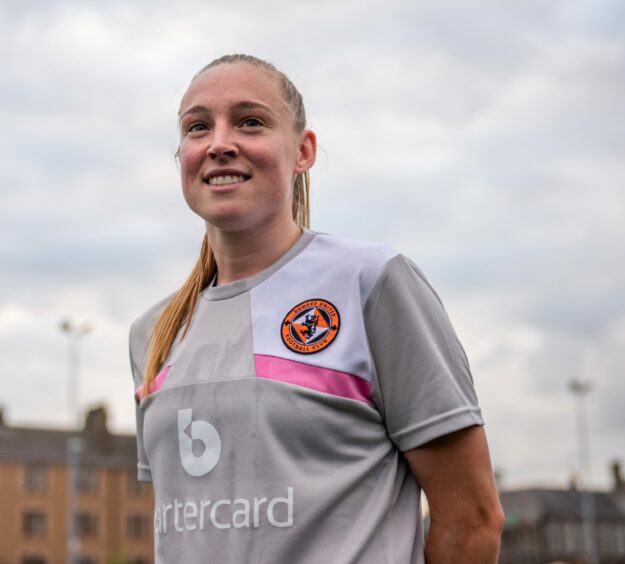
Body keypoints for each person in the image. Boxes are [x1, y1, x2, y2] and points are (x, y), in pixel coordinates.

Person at [129, 54, 504, 563]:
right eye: (198, 127)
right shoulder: (152, 333)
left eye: (250, 121)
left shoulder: (372, 283)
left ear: (303, 151)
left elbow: (472, 521)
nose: (219, 143)